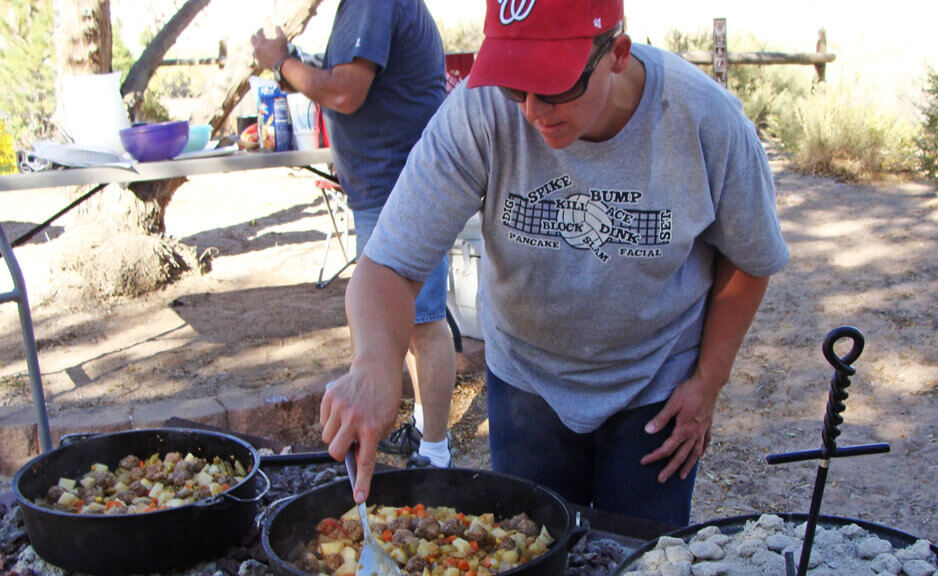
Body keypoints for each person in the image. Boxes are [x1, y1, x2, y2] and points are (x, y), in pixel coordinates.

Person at [320, 0, 789, 525]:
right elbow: (389, 264)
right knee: (529, 545)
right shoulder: (480, 110)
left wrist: (708, 382)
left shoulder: (704, 118)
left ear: (617, 54)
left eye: (554, 86)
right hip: (526, 379)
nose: (532, 111)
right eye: (515, 86)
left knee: (643, 556)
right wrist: (375, 362)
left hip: (655, 382)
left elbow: (750, 258)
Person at [250, 0, 457, 469]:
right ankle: (426, 433)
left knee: (423, 324)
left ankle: (437, 454)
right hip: (382, 187)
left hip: (401, 186)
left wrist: (280, 62)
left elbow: (345, 94)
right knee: (402, 324)